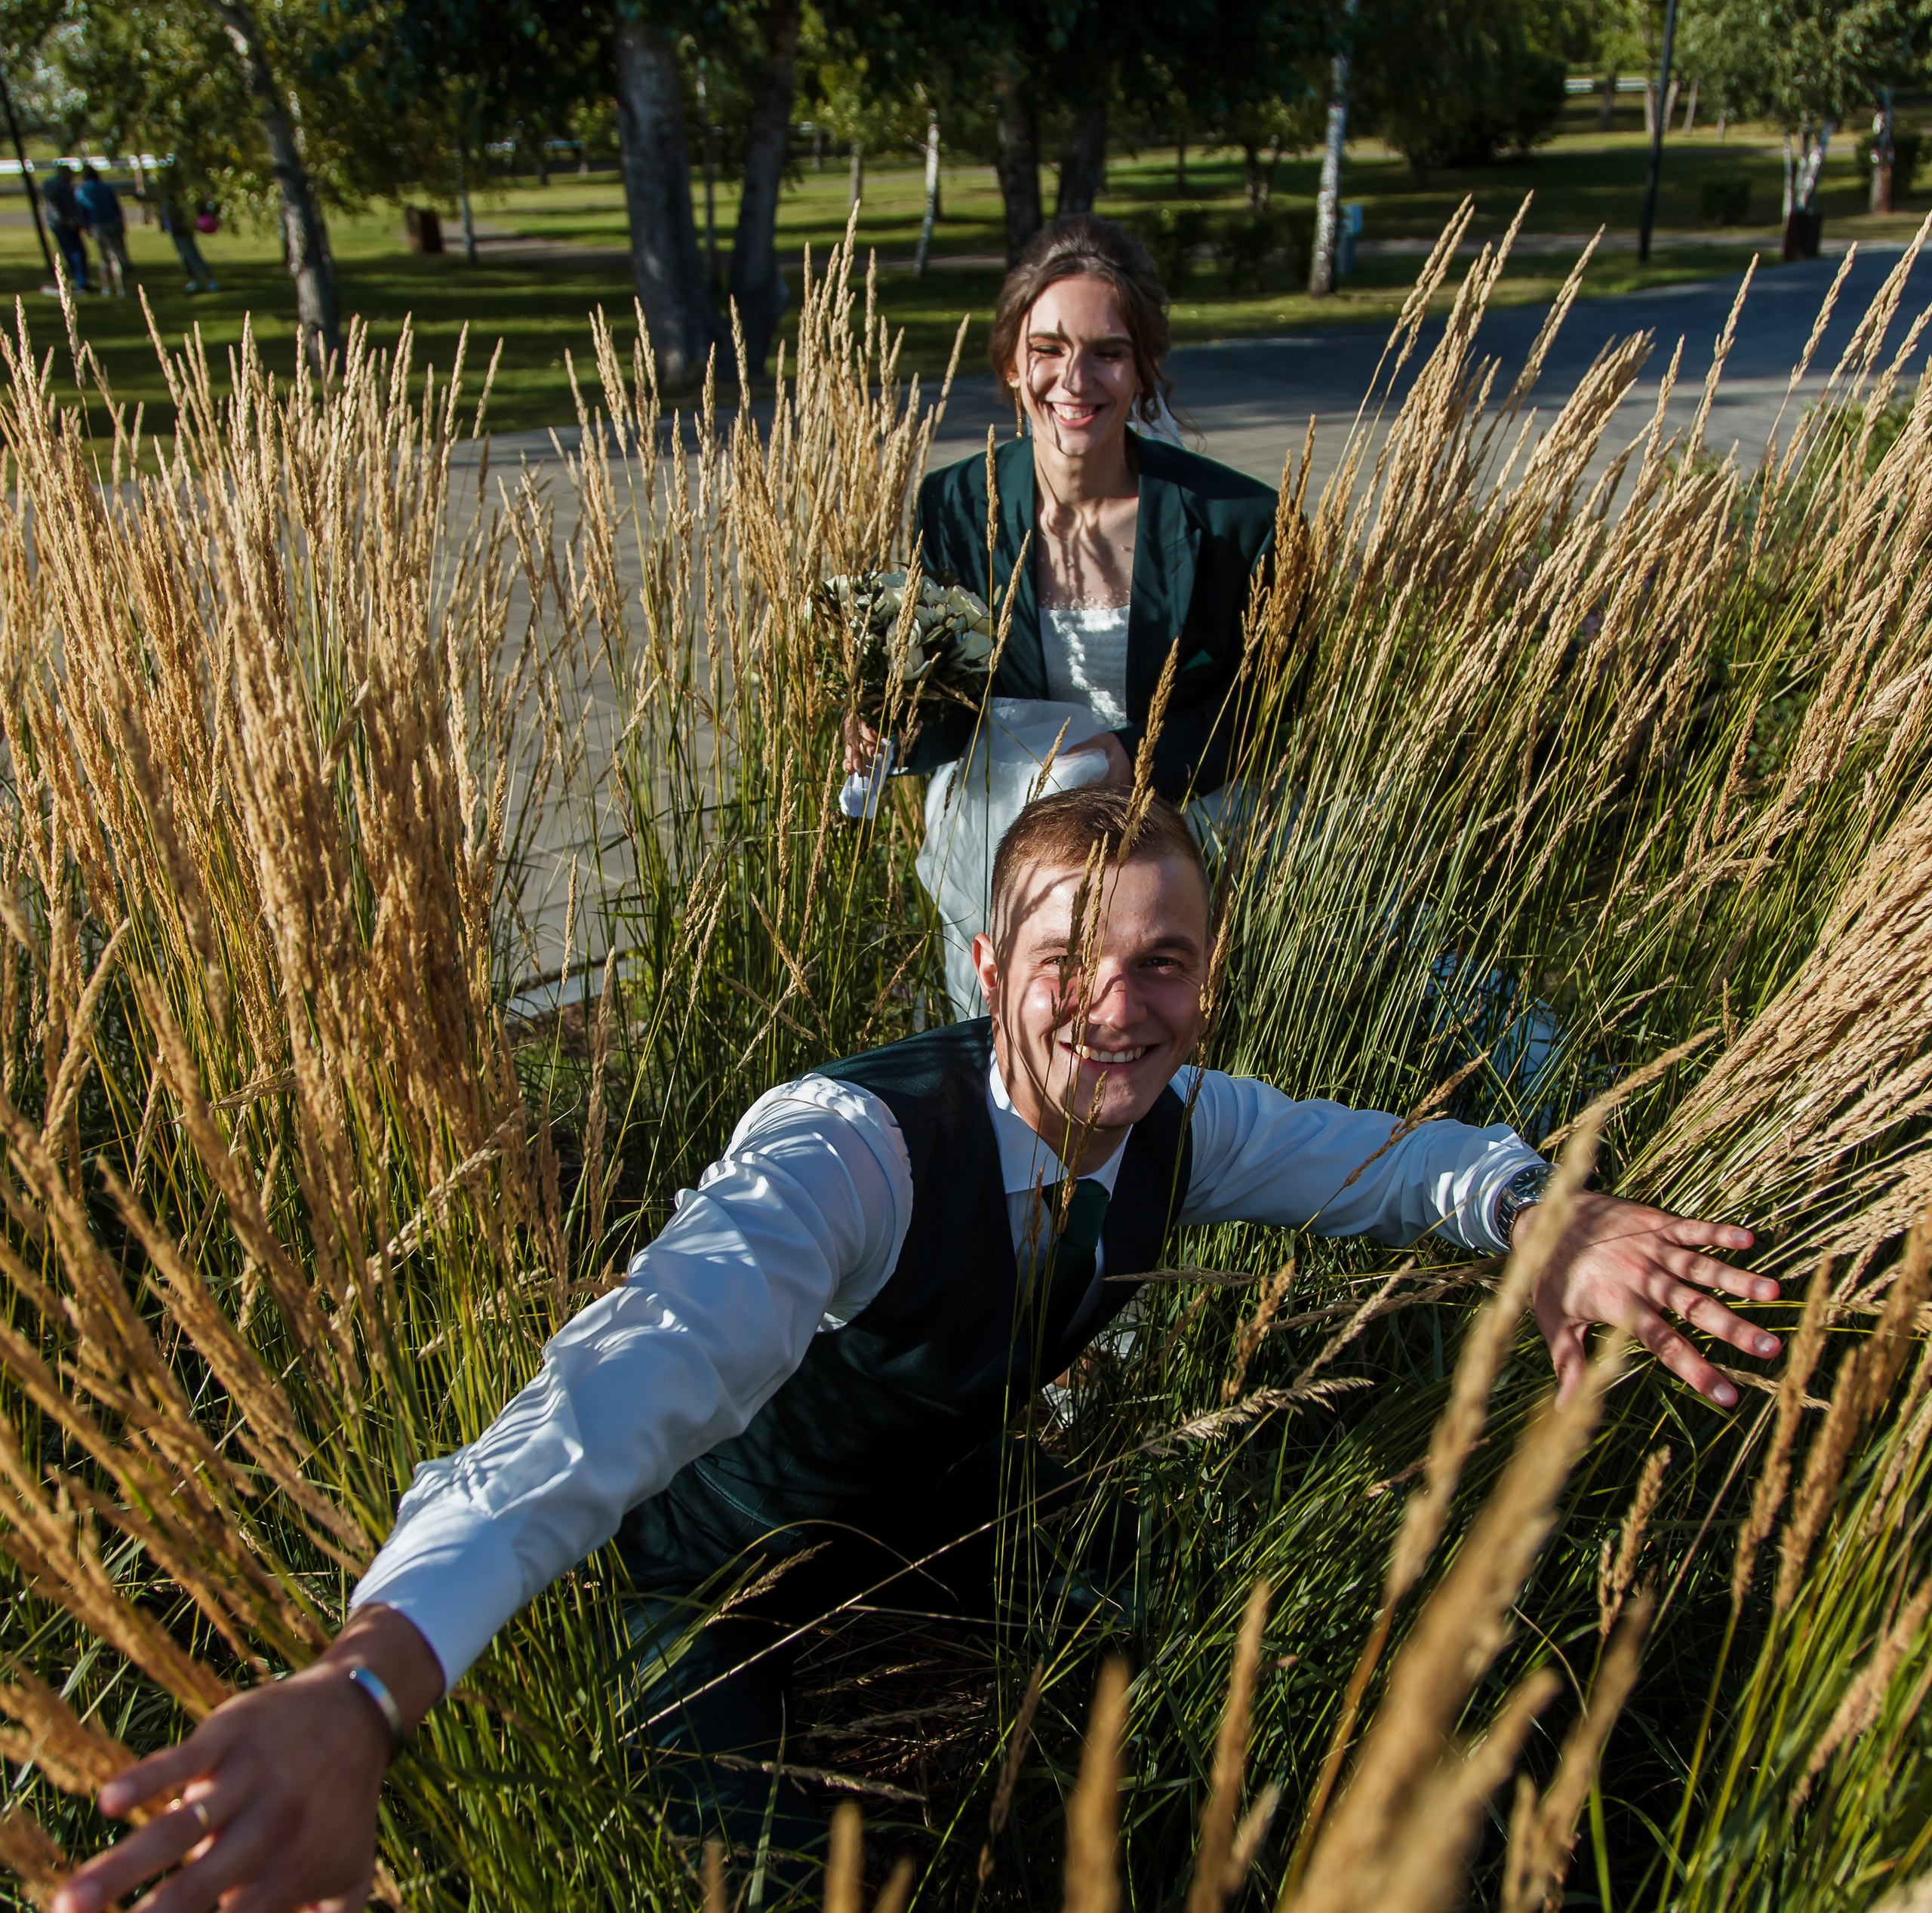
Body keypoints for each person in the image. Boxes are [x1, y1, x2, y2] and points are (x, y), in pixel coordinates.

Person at [48, 786, 1780, 1913]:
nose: (1118, 1003)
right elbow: (613, 1383)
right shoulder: (849, 1149)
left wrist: (1541, 1213)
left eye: (1163, 961)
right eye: (1069, 960)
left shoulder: (1185, 1117)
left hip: (945, 1555)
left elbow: (1384, 1158)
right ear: (984, 964)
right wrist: (370, 1682)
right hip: (727, 1596)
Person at [844, 215, 1278, 1016]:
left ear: (1143, 368)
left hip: (1176, 822)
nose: (1074, 380)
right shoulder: (955, 502)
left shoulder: (1231, 520)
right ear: (1013, 363)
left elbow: (1270, 711)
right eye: (1047, 349)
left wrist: (1132, 757)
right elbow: (951, 699)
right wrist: (887, 725)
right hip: (1005, 830)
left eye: (1108, 352)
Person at [154, 163, 217, 294]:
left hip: (183, 229)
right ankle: (195, 280)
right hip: (175, 230)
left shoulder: (179, 195)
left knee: (192, 255)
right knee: (184, 257)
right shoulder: (168, 195)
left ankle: (209, 280)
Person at [77, 165, 133, 298]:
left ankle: (106, 287)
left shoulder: (83, 191)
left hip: (98, 225)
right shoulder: (107, 188)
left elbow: (82, 211)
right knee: (117, 254)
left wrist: (85, 226)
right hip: (113, 223)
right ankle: (121, 287)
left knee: (103, 257)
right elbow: (116, 207)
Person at [41, 165, 92, 293]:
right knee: (77, 253)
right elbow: (67, 207)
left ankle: (80, 279)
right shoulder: (63, 187)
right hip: (65, 223)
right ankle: (82, 281)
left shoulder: (49, 184)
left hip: (55, 223)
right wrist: (75, 221)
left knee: (71, 252)